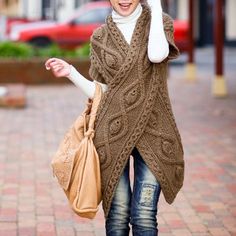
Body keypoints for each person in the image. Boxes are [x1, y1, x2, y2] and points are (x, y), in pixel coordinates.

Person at [45, 0, 185, 235]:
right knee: (118, 215)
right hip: (112, 132)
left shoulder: (160, 23)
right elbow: (102, 92)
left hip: (154, 130)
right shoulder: (100, 37)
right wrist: (71, 73)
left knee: (144, 216)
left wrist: (157, 7)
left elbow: (157, 55)